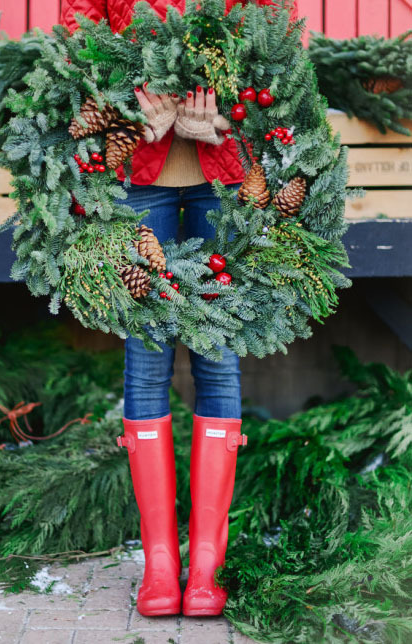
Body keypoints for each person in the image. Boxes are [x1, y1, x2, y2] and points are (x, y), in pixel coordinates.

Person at [61, 0, 298, 617]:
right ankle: (161, 566)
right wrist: (127, 108)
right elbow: (77, 38)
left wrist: (222, 117)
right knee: (146, 355)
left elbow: (273, 45)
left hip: (226, 171)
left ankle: (206, 571)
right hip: (140, 173)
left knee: (217, 355)